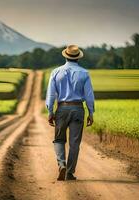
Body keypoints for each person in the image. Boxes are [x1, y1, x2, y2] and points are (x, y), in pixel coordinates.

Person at [45, 45, 95, 181]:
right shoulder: (84, 73)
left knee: (59, 139)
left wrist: (50, 111)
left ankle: (61, 164)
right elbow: (89, 96)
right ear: (78, 58)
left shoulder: (56, 72)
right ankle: (69, 172)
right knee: (74, 143)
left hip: (62, 109)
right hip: (78, 109)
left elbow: (51, 94)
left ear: (65, 56)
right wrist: (91, 113)